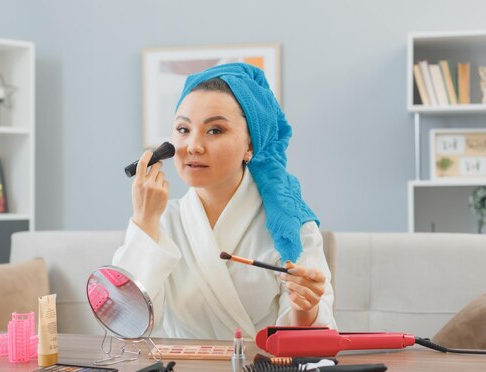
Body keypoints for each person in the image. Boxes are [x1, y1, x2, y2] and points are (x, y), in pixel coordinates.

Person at [113, 63, 336, 340]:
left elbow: (311, 341)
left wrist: (306, 309)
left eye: (215, 130)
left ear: (250, 146)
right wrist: (144, 222)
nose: (193, 146)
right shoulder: (160, 219)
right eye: (183, 129)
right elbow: (124, 323)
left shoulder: (291, 227)